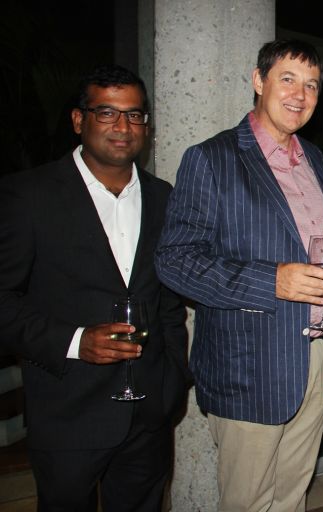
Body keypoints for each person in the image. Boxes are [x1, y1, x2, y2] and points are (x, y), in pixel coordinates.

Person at [155, 39, 323, 511]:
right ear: (258, 80)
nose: (300, 94)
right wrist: (271, 281)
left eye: (311, 85)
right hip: (250, 365)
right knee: (248, 503)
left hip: (315, 355)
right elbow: (174, 260)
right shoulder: (211, 158)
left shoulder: (313, 158)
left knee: (292, 497)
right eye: (287, 79)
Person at [0, 65, 189, 511]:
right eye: (107, 113)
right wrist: (74, 341)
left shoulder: (164, 197)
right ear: (78, 120)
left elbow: (168, 301)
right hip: (68, 410)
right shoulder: (28, 196)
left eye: (134, 115)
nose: (123, 127)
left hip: (149, 414)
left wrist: (174, 379)